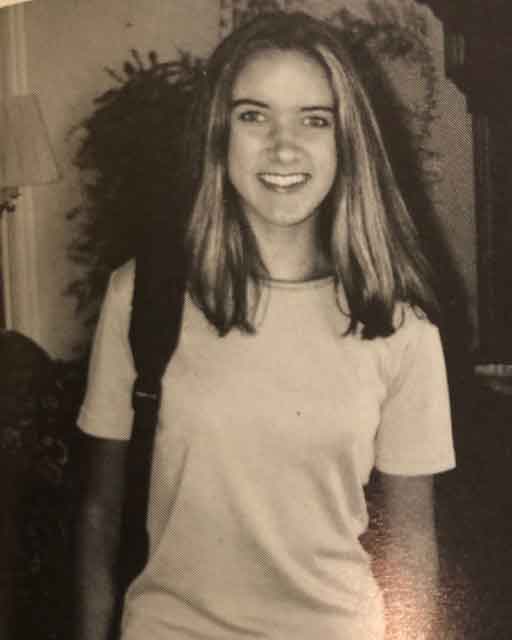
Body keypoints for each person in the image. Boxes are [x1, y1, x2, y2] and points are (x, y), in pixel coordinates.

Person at [75, 11, 455, 640]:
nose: (284, 147)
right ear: (219, 136)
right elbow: (100, 511)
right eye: (254, 116)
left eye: (314, 119)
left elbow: (413, 551)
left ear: (346, 142)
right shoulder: (143, 299)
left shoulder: (402, 329)